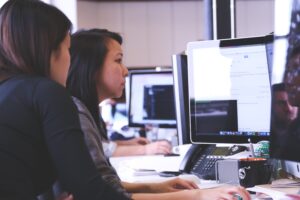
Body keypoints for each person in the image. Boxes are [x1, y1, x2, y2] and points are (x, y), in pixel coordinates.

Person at [66, 28, 251, 200]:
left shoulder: (86, 112)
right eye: (118, 60)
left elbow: (107, 186)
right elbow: (108, 196)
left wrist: (157, 187)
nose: (125, 71)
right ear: (91, 67)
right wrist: (197, 196)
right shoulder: (76, 114)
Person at [0, 1, 130, 199]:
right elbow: (90, 190)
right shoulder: (47, 92)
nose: (71, 59)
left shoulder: (9, 91)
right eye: (68, 49)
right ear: (50, 50)